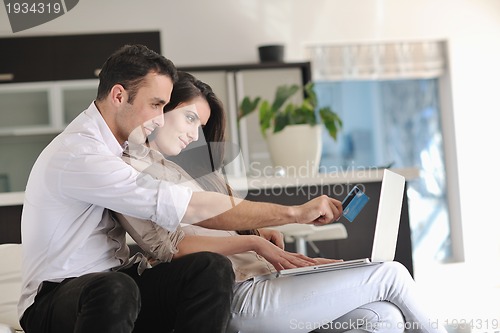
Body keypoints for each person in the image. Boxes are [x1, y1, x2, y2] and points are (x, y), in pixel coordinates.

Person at [19, 45, 345, 333]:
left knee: (208, 267)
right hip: (55, 297)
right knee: (115, 288)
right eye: (156, 105)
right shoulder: (83, 154)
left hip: (115, 281)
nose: (160, 120)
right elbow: (189, 208)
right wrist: (294, 213)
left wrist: (256, 229)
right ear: (119, 96)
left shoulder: (128, 150)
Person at [115, 72, 447, 333]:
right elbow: (169, 247)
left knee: (384, 317)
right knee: (391, 275)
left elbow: (228, 224)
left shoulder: (193, 173)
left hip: (269, 281)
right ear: (161, 108)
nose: (194, 135)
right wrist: (255, 242)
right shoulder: (133, 169)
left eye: (200, 126)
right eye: (189, 118)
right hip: (239, 295)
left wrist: (264, 238)